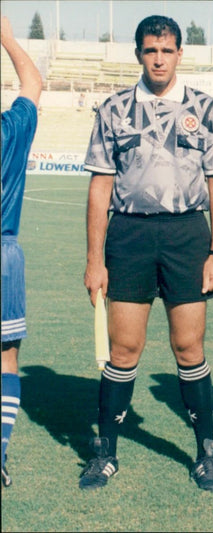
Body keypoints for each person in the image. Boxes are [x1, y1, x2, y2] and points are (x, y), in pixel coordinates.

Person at [80, 15, 213, 492]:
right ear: (139, 54)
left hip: (188, 234)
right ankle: (105, 452)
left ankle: (206, 450)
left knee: (188, 346)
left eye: (167, 50)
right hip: (128, 236)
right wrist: (94, 259)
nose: (159, 58)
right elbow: (99, 188)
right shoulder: (113, 109)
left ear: (180, 54)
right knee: (125, 348)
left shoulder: (205, 109)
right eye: (151, 50)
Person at [1, 15, 43, 489]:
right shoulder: (11, 128)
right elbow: (33, 81)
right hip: (3, 256)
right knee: (6, 360)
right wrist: (6, 39)